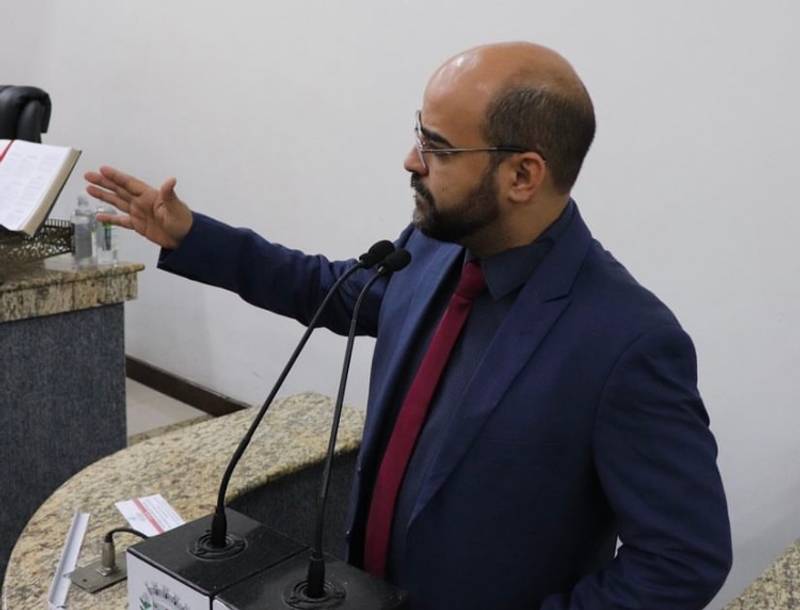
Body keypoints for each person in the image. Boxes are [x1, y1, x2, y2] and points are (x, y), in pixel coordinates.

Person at [86, 41, 732, 610]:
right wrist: (193, 236)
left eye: (438, 148)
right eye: (419, 134)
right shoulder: (433, 248)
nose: (410, 160)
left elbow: (681, 559)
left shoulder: (627, 341)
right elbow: (332, 290)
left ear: (522, 175)